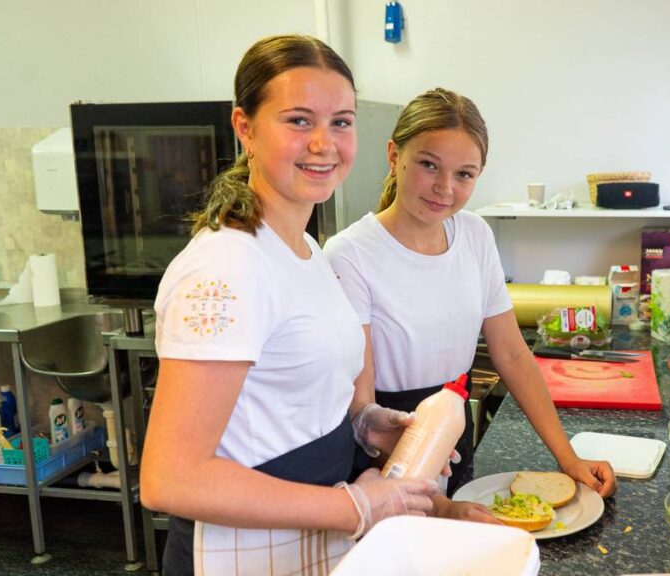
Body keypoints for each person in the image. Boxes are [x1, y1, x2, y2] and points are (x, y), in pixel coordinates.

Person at [139, 35, 439, 575]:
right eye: (299, 121)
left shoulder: (305, 252)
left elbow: (283, 400)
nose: (325, 143)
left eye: (341, 122)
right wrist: (356, 505)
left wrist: (362, 425)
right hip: (239, 552)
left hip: (303, 536)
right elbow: (170, 478)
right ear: (245, 128)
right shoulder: (227, 268)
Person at [324, 87, 618, 524]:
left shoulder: (475, 235)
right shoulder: (350, 253)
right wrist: (440, 506)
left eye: (464, 174)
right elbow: (362, 410)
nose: (445, 188)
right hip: (386, 451)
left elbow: (514, 355)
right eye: (428, 165)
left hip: (454, 432)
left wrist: (568, 458)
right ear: (393, 155)